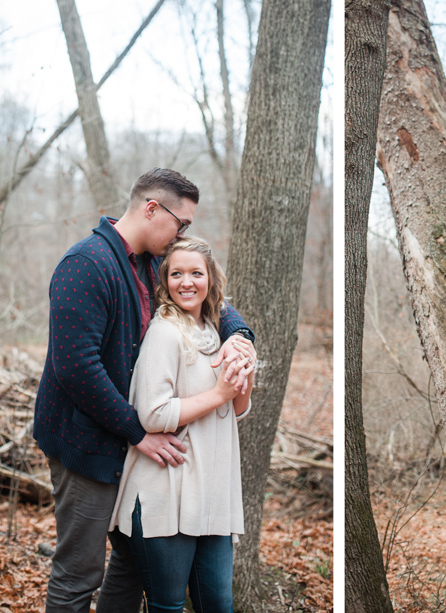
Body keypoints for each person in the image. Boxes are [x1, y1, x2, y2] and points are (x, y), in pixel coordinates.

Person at [33, 168, 256, 613]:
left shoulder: (153, 263)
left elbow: (211, 300)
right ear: (152, 209)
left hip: (132, 446)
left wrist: (239, 335)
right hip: (87, 443)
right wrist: (140, 431)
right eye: (181, 223)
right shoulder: (87, 265)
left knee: (133, 564)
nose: (182, 234)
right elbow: (77, 368)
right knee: (80, 574)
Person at [109, 236, 254, 613]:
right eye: (176, 274)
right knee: (167, 606)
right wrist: (221, 393)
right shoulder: (164, 333)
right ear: (165, 282)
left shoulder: (217, 329)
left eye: (195, 273)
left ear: (211, 279)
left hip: (212, 494)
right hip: (166, 492)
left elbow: (237, 409)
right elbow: (152, 415)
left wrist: (243, 373)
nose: (186, 282)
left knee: (218, 604)